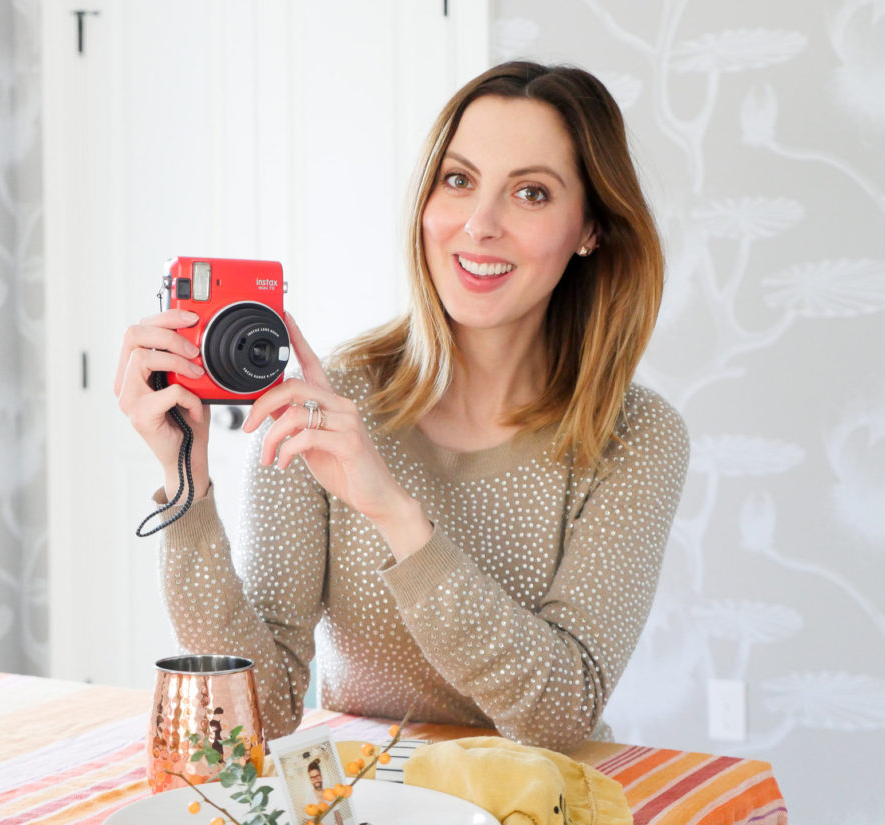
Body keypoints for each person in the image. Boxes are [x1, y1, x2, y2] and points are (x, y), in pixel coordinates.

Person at [114, 60, 689, 752]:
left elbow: (560, 715)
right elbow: (259, 709)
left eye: (531, 193)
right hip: (363, 798)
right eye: (458, 180)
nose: (479, 224)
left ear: (590, 229)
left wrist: (393, 510)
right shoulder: (329, 405)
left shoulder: (635, 434)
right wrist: (187, 485)